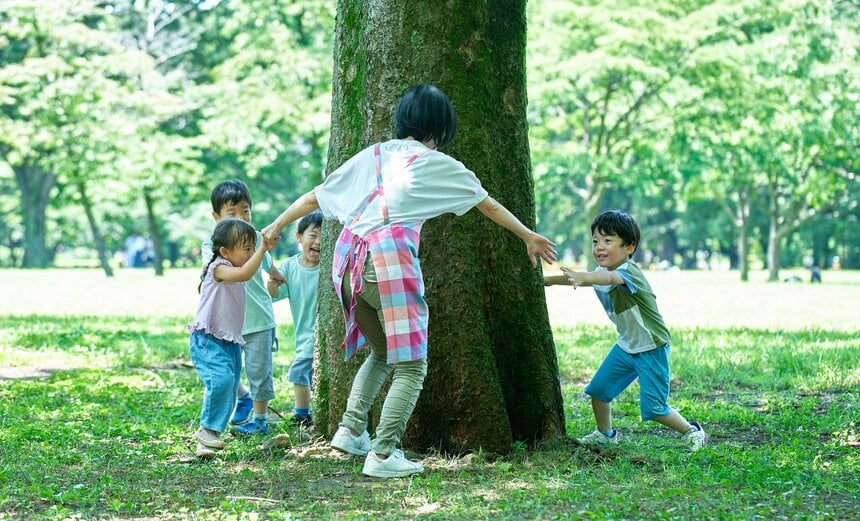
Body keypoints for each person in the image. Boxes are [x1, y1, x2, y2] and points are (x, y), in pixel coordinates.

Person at [262, 84, 557, 478]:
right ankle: (383, 454)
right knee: (412, 364)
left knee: (382, 353)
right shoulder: (436, 162)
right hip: (386, 263)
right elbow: (486, 203)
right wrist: (528, 236)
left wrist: (276, 224)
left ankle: (350, 430)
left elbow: (316, 197)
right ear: (442, 127)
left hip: (346, 263)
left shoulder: (374, 154)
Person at [545, 209, 708, 452]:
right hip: (627, 345)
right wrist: (547, 281)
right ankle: (605, 434)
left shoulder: (627, 272)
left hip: (651, 346)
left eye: (608, 241)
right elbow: (587, 278)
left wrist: (584, 276)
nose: (599, 247)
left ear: (629, 247)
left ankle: (693, 432)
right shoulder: (598, 272)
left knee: (655, 409)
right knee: (598, 391)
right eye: (595, 241)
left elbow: (610, 280)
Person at [201, 180, 286, 437]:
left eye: (245, 211)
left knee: (259, 370)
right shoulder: (213, 244)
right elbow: (226, 272)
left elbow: (268, 264)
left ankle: (260, 419)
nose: (241, 218)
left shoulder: (257, 239)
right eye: (232, 213)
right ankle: (243, 397)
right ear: (216, 217)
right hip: (226, 322)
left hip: (258, 318)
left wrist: (275, 274)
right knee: (224, 368)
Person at [189, 219, 277, 459]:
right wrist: (262, 249)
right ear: (225, 251)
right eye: (246, 248)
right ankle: (207, 429)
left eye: (252, 247)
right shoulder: (219, 267)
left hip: (229, 341)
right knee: (222, 380)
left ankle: (211, 436)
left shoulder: (231, 266)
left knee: (228, 386)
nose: (250, 252)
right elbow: (245, 274)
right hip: (208, 340)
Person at [267, 210, 323, 428]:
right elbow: (274, 295)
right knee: (303, 373)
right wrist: (271, 287)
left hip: (325, 334)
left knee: (300, 372)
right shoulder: (290, 266)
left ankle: (302, 413)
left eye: (323, 235)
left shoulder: (330, 265)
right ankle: (303, 414)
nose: (318, 241)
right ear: (299, 237)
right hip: (305, 334)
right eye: (313, 235)